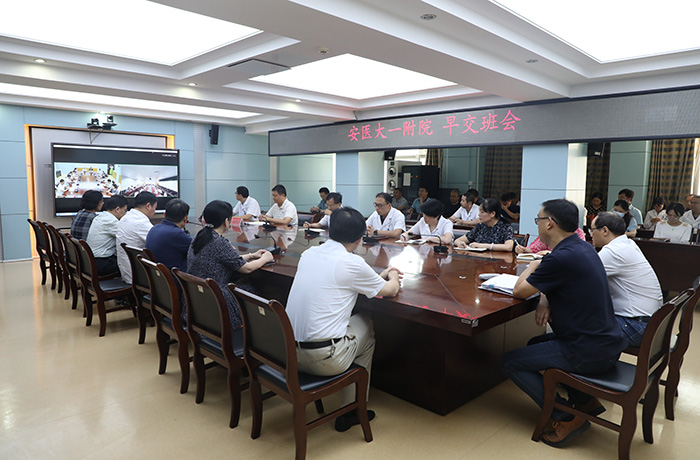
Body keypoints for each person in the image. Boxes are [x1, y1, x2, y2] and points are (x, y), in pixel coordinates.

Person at [501, 199, 626, 447]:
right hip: (607, 343)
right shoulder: (583, 248)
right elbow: (562, 282)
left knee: (509, 362)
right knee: (534, 343)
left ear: (550, 223)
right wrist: (545, 296)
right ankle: (585, 401)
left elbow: (519, 291)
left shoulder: (558, 258)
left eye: (538, 220)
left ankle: (565, 416)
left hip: (586, 350)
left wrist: (534, 265)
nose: (537, 225)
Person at [286, 207, 401, 432]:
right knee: (367, 324)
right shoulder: (352, 263)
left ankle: (352, 405)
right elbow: (390, 290)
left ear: (330, 230)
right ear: (359, 239)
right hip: (324, 359)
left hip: (288, 353)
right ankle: (351, 410)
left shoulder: (309, 253)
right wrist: (393, 274)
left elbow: (346, 280)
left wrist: (375, 279)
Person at [187, 200, 274, 329]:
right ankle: (258, 330)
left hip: (198, 297)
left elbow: (225, 259)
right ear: (226, 221)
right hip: (216, 298)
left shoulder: (200, 236)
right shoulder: (218, 242)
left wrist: (251, 256)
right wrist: (265, 258)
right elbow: (246, 269)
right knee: (252, 288)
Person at [590, 212, 663, 347]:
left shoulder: (613, 251)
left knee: (579, 320)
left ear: (605, 230)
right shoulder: (628, 243)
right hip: (650, 322)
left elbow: (580, 277)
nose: (591, 234)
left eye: (592, 230)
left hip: (636, 326)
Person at [116, 191, 157, 284]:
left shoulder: (125, 217)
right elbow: (158, 242)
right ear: (148, 206)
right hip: (138, 276)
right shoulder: (141, 222)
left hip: (126, 271)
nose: (154, 211)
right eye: (155, 208)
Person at [145, 199, 192, 271]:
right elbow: (199, 249)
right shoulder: (176, 234)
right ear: (185, 218)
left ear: (164, 214)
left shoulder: (154, 228)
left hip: (158, 275)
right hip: (173, 276)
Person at [86, 195, 127, 276]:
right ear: (117, 209)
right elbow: (126, 237)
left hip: (90, 261)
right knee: (131, 263)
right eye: (125, 210)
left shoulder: (100, 217)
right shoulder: (111, 221)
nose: (125, 214)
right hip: (100, 263)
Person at [515, 227, 586, 255]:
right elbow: (536, 247)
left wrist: (552, 253)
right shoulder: (551, 230)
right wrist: (523, 249)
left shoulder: (578, 232)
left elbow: (578, 253)